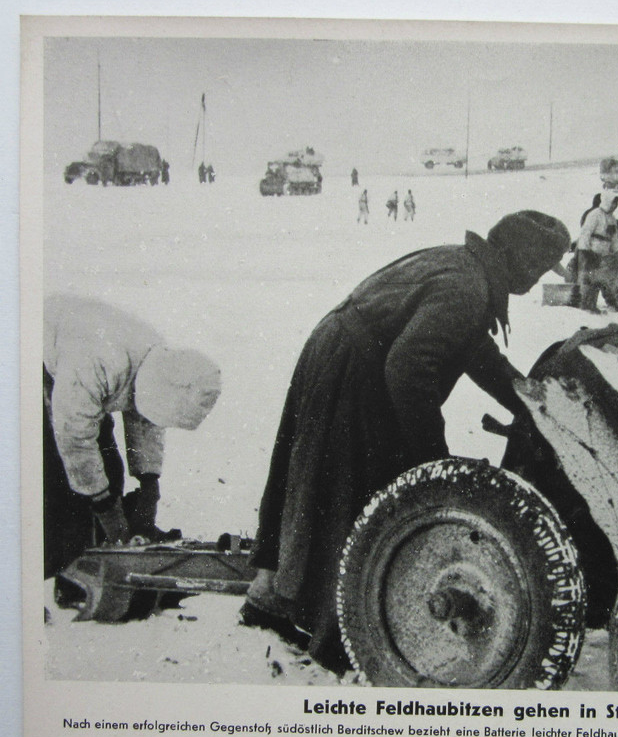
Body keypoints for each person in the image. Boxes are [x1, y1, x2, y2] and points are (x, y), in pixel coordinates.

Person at [239, 211, 571, 672]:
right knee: (355, 492)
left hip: (341, 351)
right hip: (354, 368)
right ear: (515, 258)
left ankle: (272, 594)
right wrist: (431, 463)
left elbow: (473, 349)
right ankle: (340, 635)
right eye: (537, 269)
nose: (536, 282)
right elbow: (408, 369)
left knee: (312, 479)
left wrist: (525, 399)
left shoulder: (466, 269)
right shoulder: (467, 286)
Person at [43, 295, 222, 579]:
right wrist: (107, 511)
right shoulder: (99, 362)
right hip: (38, 355)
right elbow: (74, 437)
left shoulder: (159, 364)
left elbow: (148, 418)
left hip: (86, 371)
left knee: (108, 474)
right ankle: (64, 571)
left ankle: (99, 553)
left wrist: (149, 484)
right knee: (62, 482)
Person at [575, 190, 618, 312]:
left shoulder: (612, 218)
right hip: (591, 250)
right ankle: (586, 304)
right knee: (588, 278)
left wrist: (617, 251)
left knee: (599, 278)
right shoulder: (594, 214)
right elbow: (586, 233)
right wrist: (585, 250)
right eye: (612, 203)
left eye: (616, 204)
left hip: (604, 253)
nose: (614, 206)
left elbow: (614, 238)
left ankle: (592, 304)